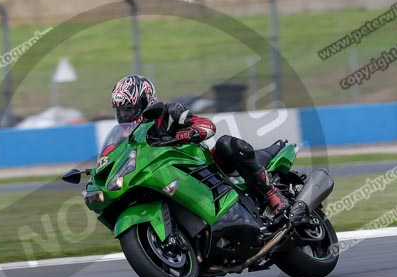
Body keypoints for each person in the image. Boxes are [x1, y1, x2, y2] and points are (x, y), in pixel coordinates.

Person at [110, 74, 290, 217]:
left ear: (145, 102)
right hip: (166, 177)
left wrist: (183, 135)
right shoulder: (128, 136)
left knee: (226, 144)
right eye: (121, 111)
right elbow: (113, 154)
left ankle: (272, 194)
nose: (125, 116)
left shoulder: (169, 113)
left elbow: (206, 125)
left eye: (129, 110)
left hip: (202, 166)